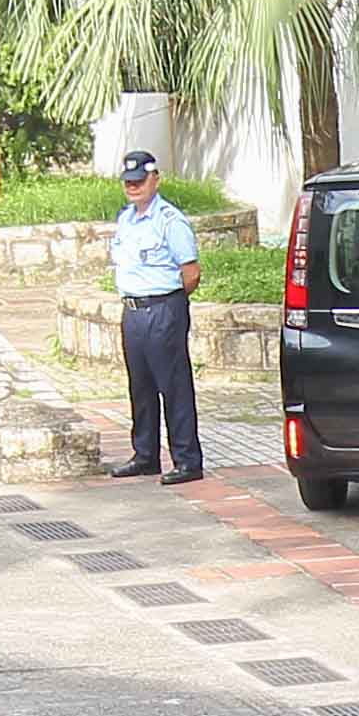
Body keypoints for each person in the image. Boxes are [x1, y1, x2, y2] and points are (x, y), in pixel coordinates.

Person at [105, 148, 207, 481]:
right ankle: (145, 455)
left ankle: (187, 461)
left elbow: (191, 272)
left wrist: (169, 302)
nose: (133, 187)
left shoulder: (169, 221)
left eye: (140, 180)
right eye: (128, 182)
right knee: (141, 386)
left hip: (163, 309)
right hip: (133, 311)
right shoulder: (126, 219)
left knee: (173, 385)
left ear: (155, 179)